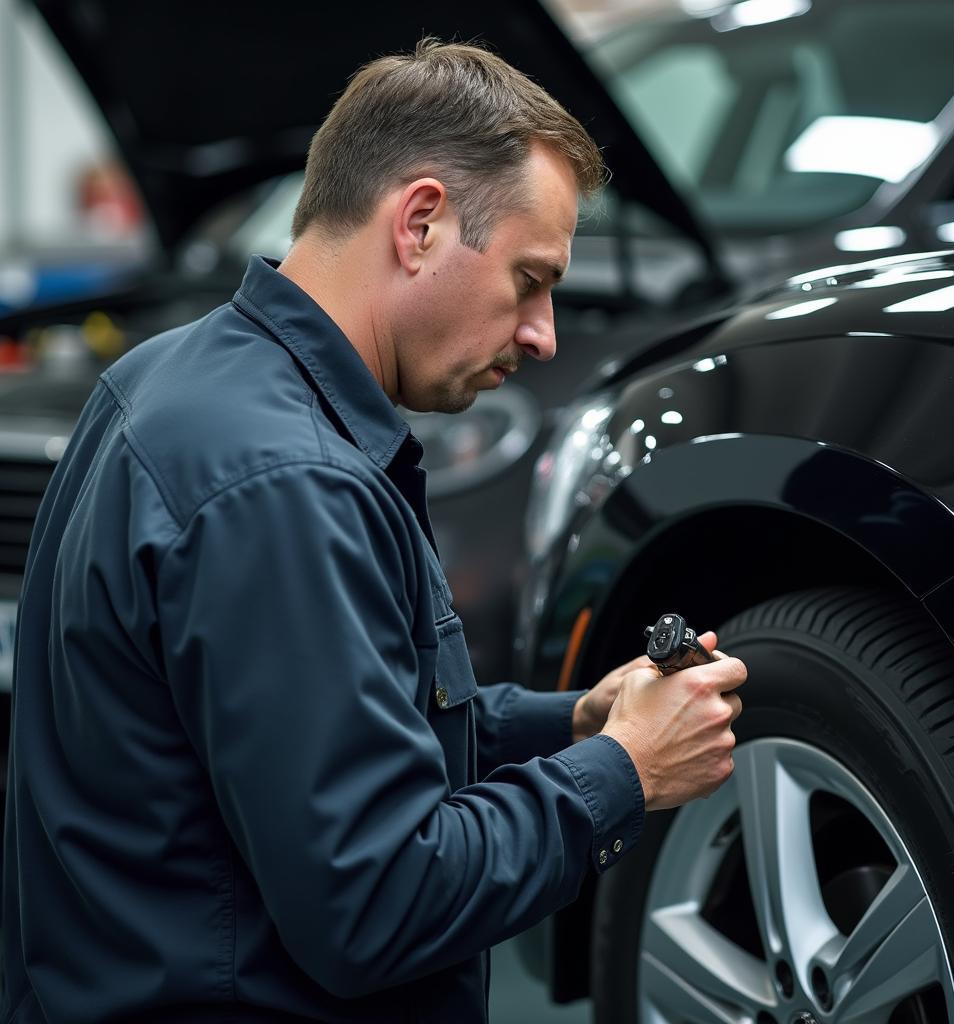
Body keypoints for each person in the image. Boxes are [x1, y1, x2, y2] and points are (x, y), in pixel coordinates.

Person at [2, 38, 746, 1024]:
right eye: (529, 278)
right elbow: (378, 903)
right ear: (423, 223)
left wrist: (569, 724)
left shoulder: (166, 378)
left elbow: (329, 732)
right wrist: (619, 775)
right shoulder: (284, 483)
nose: (544, 333)